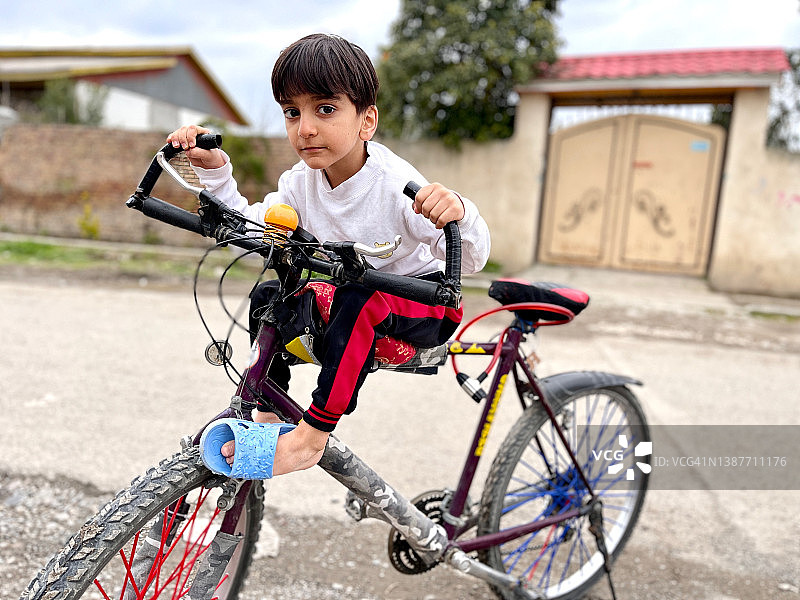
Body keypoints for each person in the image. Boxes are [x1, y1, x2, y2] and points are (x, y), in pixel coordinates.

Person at [167, 33, 490, 477]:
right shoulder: (299, 183)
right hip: (352, 301)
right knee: (267, 298)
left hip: (424, 305)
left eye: (325, 109)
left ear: (366, 120)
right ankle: (269, 412)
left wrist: (458, 212)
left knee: (357, 298)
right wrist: (217, 172)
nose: (306, 128)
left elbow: (471, 260)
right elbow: (252, 226)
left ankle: (311, 437)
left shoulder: (394, 185)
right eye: (292, 112)